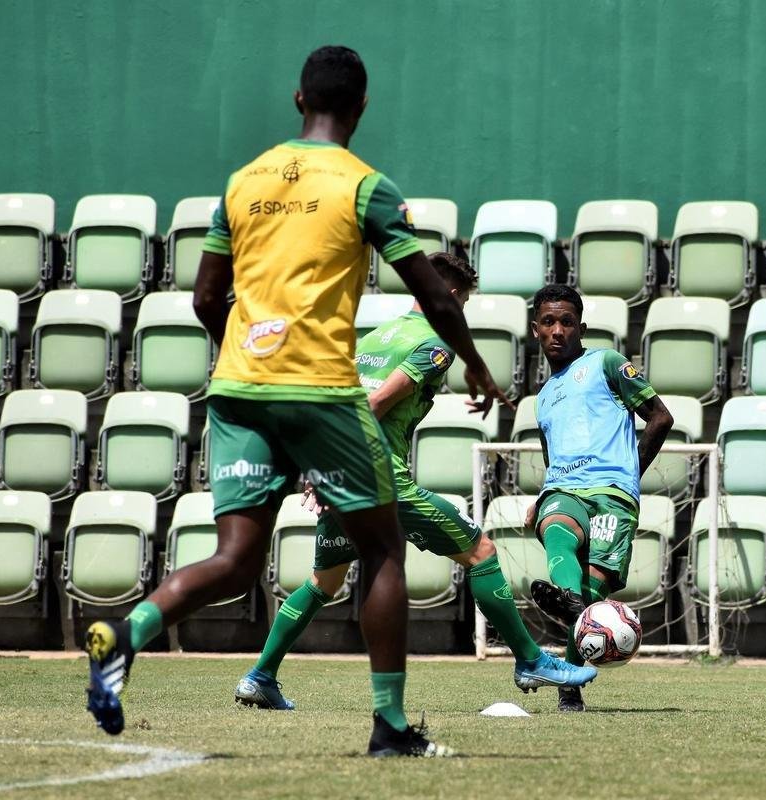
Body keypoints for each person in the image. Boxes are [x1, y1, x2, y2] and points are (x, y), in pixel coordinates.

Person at [84, 45, 509, 758]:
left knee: (234, 560)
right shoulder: (364, 185)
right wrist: (475, 366)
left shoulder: (242, 182)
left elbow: (204, 298)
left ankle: (126, 636)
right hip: (317, 389)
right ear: (363, 106)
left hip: (239, 388)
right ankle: (390, 727)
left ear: (296, 99)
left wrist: (244, 357)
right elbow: (432, 292)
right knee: (381, 547)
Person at [233, 253, 596, 711]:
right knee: (481, 552)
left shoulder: (374, 338)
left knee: (324, 581)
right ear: (447, 296)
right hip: (381, 480)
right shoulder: (434, 345)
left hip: (342, 477)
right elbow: (377, 403)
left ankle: (260, 675)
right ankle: (529, 660)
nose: (460, 312)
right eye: (461, 302)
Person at [523, 284, 674, 712]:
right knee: (555, 526)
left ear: (581, 328)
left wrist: (629, 473)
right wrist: (543, 493)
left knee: (591, 589)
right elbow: (552, 456)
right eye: (549, 322)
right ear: (536, 330)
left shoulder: (606, 363)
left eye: (567, 322)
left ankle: (570, 681)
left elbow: (661, 417)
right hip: (563, 489)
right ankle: (575, 612)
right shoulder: (542, 399)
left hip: (614, 496)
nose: (558, 330)